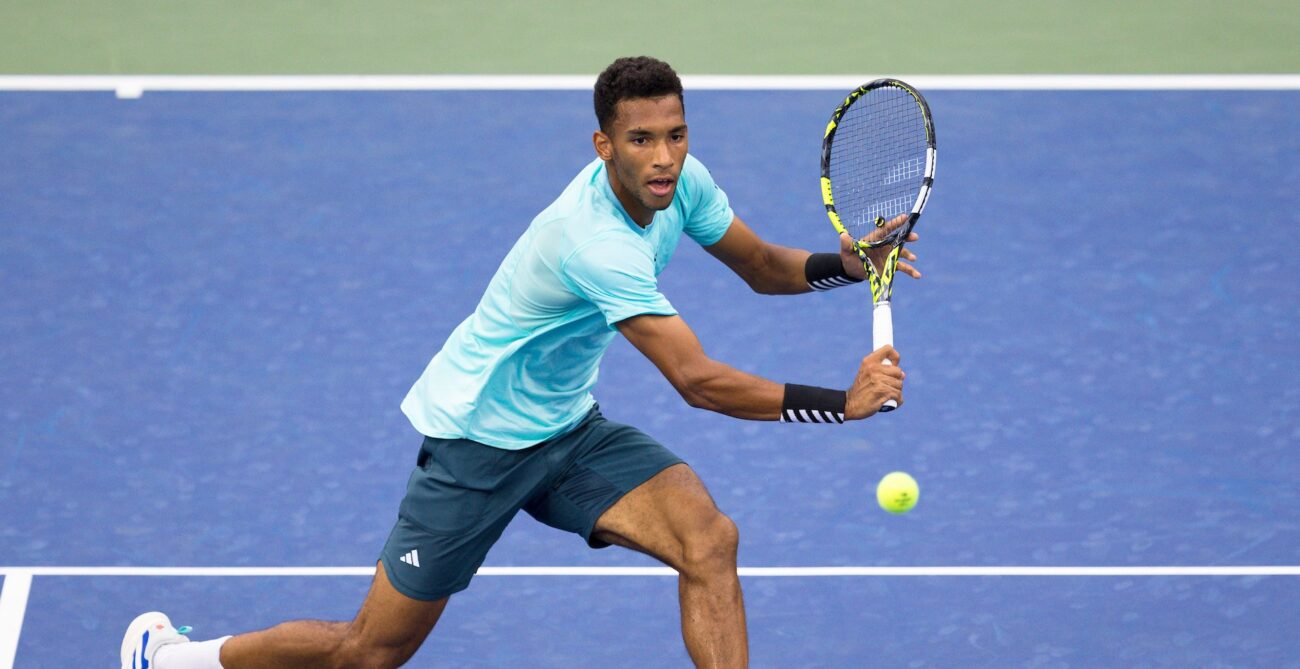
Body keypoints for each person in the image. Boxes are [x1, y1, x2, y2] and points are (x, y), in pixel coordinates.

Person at [121, 55, 919, 669]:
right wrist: (837, 402)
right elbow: (697, 381)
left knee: (708, 539)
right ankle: (173, 657)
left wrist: (847, 265)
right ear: (603, 144)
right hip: (478, 444)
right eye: (641, 139)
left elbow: (759, 265)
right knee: (367, 651)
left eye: (676, 134)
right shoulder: (594, 241)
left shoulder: (685, 184)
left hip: (568, 428)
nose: (664, 157)